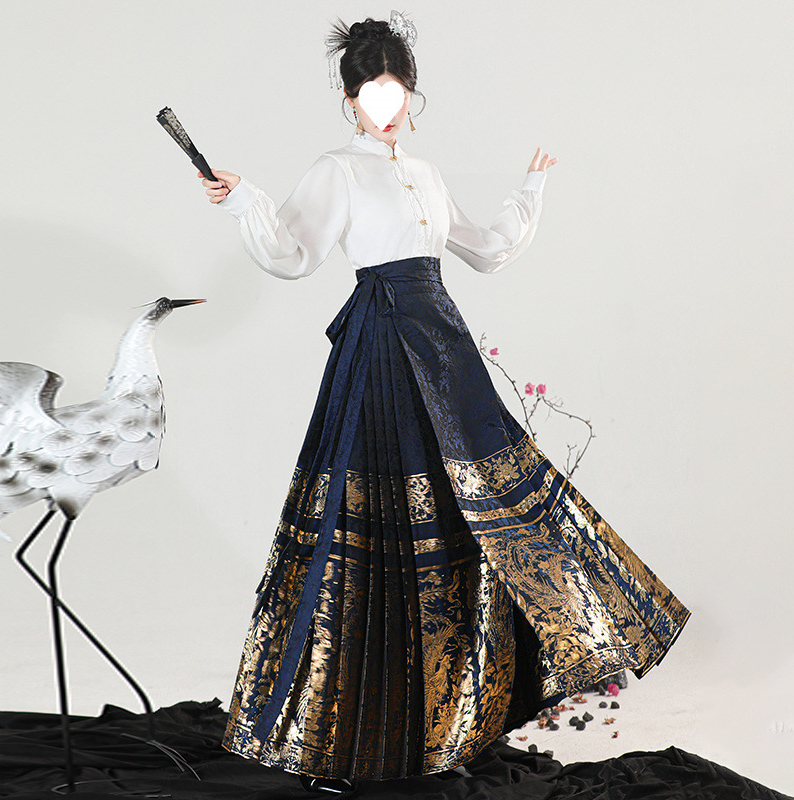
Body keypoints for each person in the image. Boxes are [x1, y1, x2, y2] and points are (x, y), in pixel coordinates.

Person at [200, 11, 690, 796]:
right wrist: (244, 201)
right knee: (374, 528)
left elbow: (485, 251)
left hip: (444, 346)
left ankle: (454, 718)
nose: (385, 108)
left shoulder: (425, 174)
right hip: (381, 348)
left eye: (395, 92)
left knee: (477, 510)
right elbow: (290, 254)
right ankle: (349, 737)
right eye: (370, 95)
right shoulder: (337, 171)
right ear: (350, 100)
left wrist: (530, 190)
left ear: (409, 94)